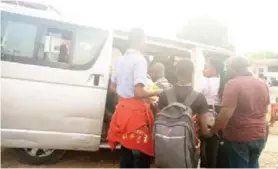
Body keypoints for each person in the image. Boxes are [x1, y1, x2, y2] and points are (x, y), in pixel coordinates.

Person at [107, 28, 160, 168]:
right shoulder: (140, 60)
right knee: (142, 155)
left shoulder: (119, 60)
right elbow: (138, 93)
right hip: (135, 115)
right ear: (141, 41)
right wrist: (158, 92)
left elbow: (113, 88)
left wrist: (125, 93)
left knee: (126, 151)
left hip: (122, 111)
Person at [210, 56, 269, 168]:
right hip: (259, 135)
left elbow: (225, 115)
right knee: (252, 165)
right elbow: (265, 111)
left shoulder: (233, 84)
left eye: (227, 68)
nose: (226, 71)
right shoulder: (262, 83)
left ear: (233, 68)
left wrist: (213, 130)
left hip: (239, 137)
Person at [157, 59, 212, 160]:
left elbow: (158, 119)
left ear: (176, 72)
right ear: (192, 73)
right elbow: (204, 131)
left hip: (166, 145)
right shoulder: (199, 97)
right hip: (189, 148)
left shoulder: (164, 95)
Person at [198, 57, 227, 168]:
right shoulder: (223, 82)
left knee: (203, 143)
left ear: (214, 69)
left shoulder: (205, 81)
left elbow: (197, 94)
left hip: (205, 113)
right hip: (218, 113)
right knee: (214, 145)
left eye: (206, 67)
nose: (203, 70)